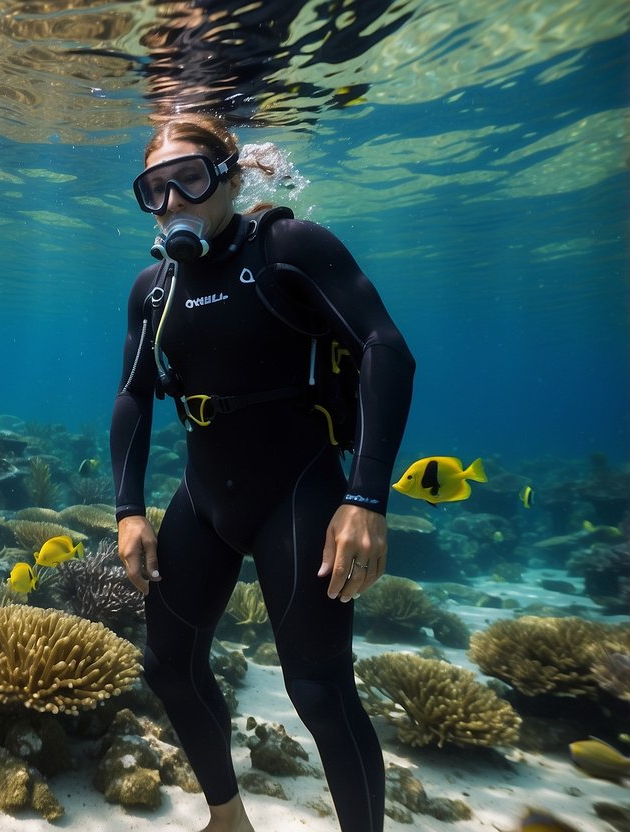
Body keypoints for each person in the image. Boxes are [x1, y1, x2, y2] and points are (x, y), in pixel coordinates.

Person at [110, 112, 415, 832]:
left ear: (231, 175)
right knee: (166, 666)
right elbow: (131, 396)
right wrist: (128, 511)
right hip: (203, 502)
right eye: (153, 190)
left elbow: (384, 349)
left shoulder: (290, 247)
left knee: (316, 690)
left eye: (187, 179)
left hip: (301, 493)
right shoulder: (151, 289)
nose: (172, 203)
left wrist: (366, 497)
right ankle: (226, 819)